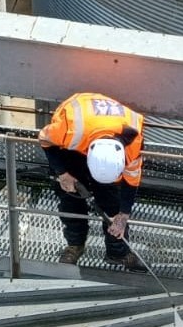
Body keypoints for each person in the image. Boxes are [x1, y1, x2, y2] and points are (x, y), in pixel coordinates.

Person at [39, 92, 147, 272]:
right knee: (70, 199)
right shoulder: (68, 131)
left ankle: (118, 252)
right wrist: (63, 173)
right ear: (87, 154)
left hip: (96, 130)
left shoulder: (133, 144)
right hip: (71, 146)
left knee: (113, 204)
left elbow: (131, 182)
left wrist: (123, 215)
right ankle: (75, 245)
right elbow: (44, 139)